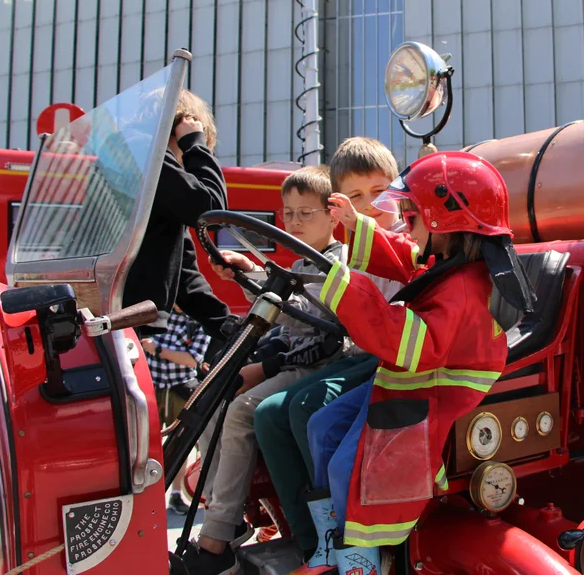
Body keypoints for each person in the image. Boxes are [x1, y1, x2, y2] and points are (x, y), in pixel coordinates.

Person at [308, 151, 536, 575]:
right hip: (410, 381)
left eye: (412, 214)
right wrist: (358, 228)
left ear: (444, 221)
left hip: (432, 394)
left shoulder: (465, 289)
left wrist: (347, 288)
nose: (404, 218)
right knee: (321, 427)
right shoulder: (449, 264)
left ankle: (361, 562)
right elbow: (405, 256)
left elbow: (413, 347)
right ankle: (329, 541)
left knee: (345, 468)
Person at [183, 166, 352, 575]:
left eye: (305, 213)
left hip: (325, 364)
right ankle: (225, 513)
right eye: (288, 213)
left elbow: (317, 331)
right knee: (210, 396)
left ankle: (217, 534)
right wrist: (248, 273)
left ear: (333, 215)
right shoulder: (301, 263)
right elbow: (285, 303)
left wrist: (266, 365)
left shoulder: (337, 266)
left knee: (243, 409)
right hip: (297, 360)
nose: (293, 221)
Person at [248, 138, 402, 573]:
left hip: (382, 357)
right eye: (355, 197)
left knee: (307, 407)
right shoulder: (356, 251)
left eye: (379, 191)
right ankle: (308, 538)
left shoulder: (396, 243)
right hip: (364, 352)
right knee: (266, 414)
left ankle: (346, 544)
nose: (370, 205)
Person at [123, 88, 232, 345]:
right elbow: (212, 212)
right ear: (179, 128)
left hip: (123, 313)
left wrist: (228, 326)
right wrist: (195, 144)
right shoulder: (144, 153)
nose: (183, 163)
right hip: (120, 312)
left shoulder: (135, 159)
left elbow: (183, 272)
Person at [142, 305, 211, 515]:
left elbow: (193, 359)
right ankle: (144, 495)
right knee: (144, 444)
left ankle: (176, 494)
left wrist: (158, 349)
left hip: (180, 389)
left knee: (181, 444)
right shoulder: (158, 314)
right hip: (150, 387)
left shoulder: (197, 322)